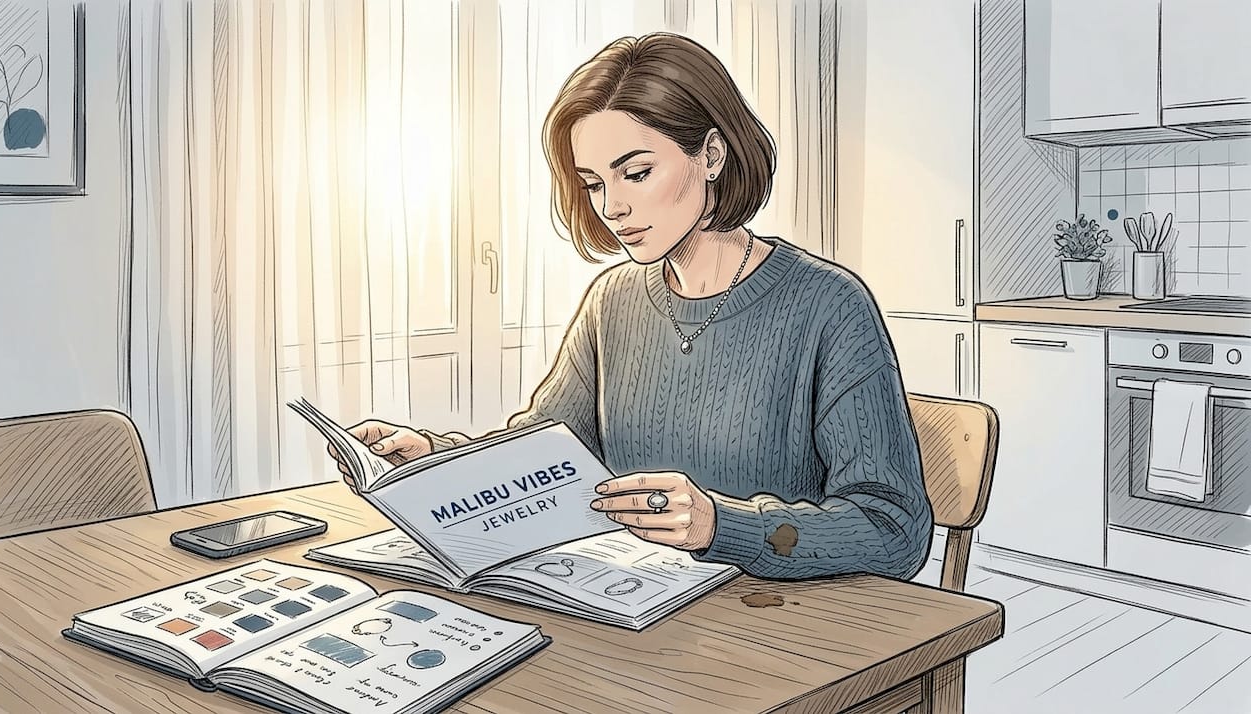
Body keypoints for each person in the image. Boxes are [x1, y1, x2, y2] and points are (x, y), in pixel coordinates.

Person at [332, 32, 932, 581]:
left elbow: (895, 532)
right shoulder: (611, 302)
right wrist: (434, 457)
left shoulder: (829, 306)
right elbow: (541, 455)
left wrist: (719, 525)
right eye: (593, 183)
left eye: (636, 173)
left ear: (713, 156)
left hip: (774, 631)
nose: (611, 207)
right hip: (634, 614)